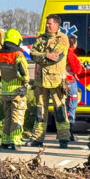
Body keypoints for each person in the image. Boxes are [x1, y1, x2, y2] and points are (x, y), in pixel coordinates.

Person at [26, 14, 71, 148]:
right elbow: (33, 54)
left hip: (56, 80)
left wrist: (42, 57)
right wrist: (45, 55)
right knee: (40, 111)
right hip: (41, 80)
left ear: (57, 25)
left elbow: (56, 57)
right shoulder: (41, 38)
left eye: (49, 23)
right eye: (46, 23)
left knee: (59, 110)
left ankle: (64, 138)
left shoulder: (62, 39)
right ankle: (37, 139)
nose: (47, 26)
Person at [0, 29, 30, 150]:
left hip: (5, 92)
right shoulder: (18, 54)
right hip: (17, 91)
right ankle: (15, 140)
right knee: (18, 115)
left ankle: (5, 141)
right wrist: (26, 83)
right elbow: (23, 71)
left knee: (7, 117)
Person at [65, 36, 87, 142]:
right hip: (70, 82)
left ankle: (63, 132)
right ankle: (70, 133)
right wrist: (80, 65)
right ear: (74, 44)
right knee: (71, 107)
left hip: (61, 82)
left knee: (63, 107)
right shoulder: (71, 54)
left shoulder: (62, 53)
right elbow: (78, 70)